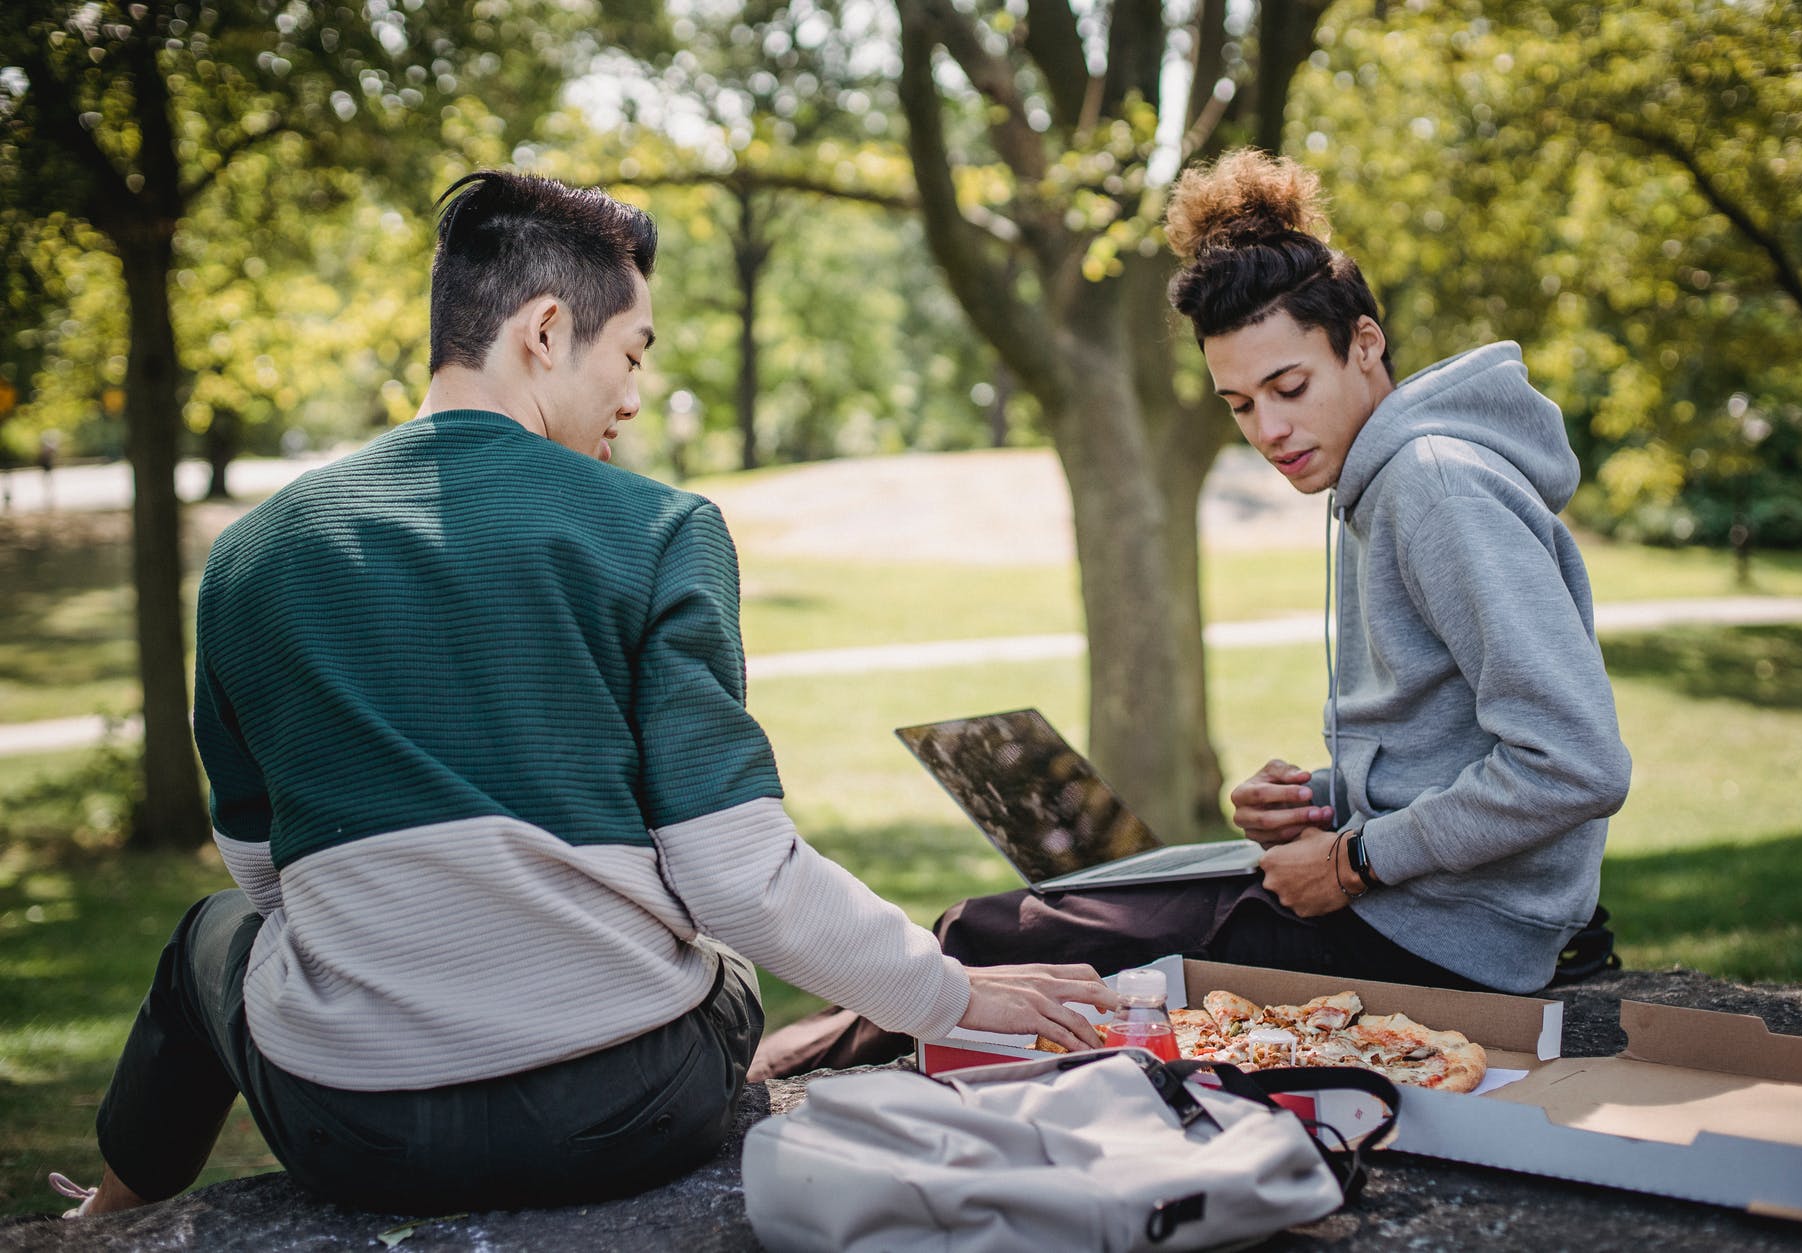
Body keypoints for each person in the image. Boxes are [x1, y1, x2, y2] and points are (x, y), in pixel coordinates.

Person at [50, 170, 1112, 1221]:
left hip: (355, 1129)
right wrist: (953, 993)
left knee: (210, 930)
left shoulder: (247, 560)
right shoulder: (656, 530)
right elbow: (737, 875)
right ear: (546, 330)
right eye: (632, 352)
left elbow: (265, 876)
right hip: (636, 1104)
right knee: (719, 960)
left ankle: (111, 1209)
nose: (637, 393)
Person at [752, 148, 1630, 1079]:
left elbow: (1574, 761)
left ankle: (765, 1084)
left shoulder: (1433, 484)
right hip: (1414, 904)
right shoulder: (1384, 478)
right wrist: (1330, 798)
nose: (1270, 432)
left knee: (989, 937)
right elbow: (1462, 741)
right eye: (1241, 405)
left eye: (1289, 388)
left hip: (1441, 943)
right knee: (1058, 904)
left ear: (1364, 343)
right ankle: (782, 1064)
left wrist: (1350, 859)